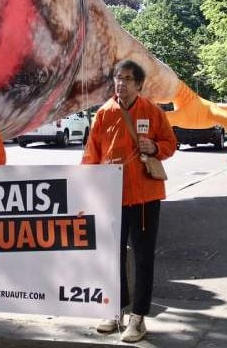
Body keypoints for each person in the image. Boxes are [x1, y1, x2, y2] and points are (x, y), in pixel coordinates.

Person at [82, 59, 176, 344]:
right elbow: (91, 155)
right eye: (117, 78)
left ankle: (138, 317)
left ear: (138, 84)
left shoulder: (152, 111)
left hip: (146, 197)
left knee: (143, 257)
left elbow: (171, 144)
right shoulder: (104, 113)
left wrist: (156, 147)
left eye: (127, 79)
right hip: (112, 197)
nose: (120, 84)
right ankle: (115, 310)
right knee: (112, 257)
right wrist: (85, 188)